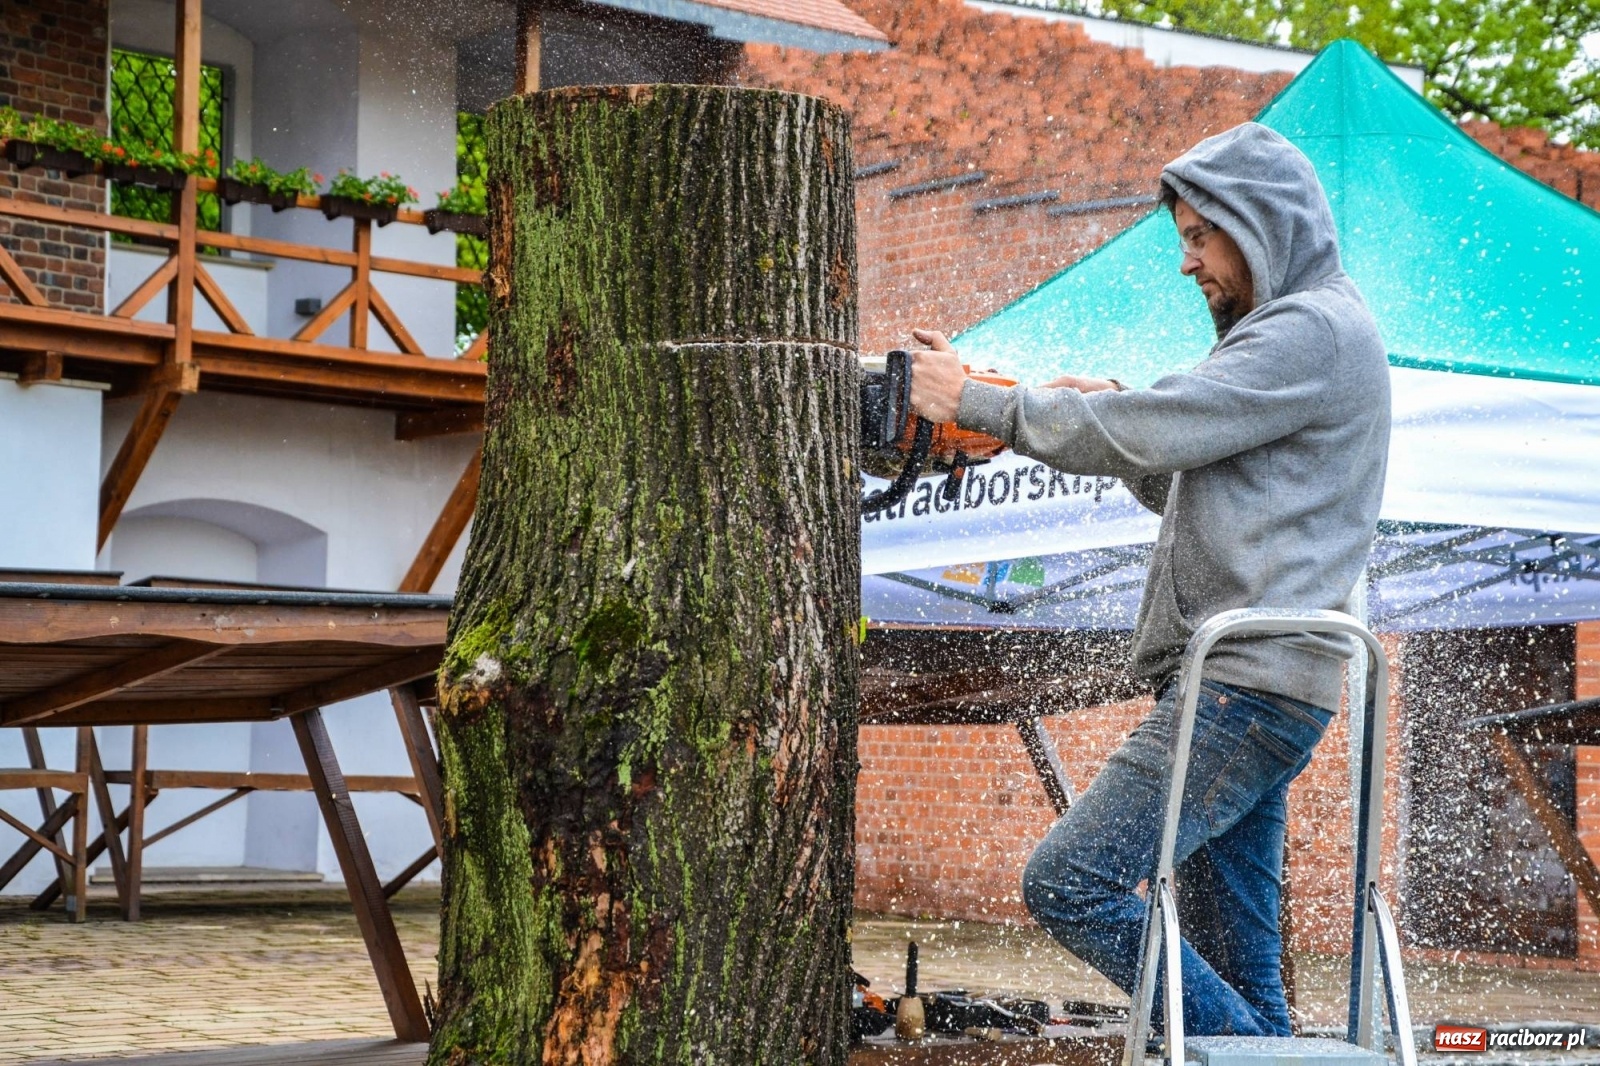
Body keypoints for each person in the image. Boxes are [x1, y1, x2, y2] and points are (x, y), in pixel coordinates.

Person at [905, 122, 1391, 1037]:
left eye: (1200, 237)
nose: (1186, 262)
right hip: (1247, 688)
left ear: (1261, 225)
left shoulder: (1309, 329)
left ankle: (1259, 1059)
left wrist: (973, 401)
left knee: (1069, 882)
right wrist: (1113, 410)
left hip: (1241, 693)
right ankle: (1262, 1052)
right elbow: (1185, 475)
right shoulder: (1305, 333)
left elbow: (1151, 429)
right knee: (1243, 976)